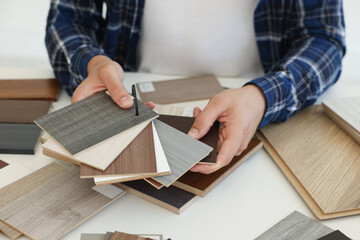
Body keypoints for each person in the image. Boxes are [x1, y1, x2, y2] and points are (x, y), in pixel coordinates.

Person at [45, 0, 345, 174]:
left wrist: (263, 96)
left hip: (253, 105)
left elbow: (324, 40)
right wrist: (91, 63)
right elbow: (70, 19)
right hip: (128, 88)